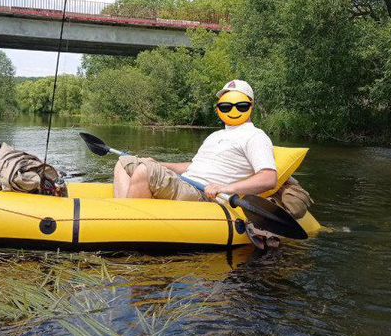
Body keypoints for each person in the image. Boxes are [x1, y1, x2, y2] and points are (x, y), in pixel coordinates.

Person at [113, 79, 281, 249]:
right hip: (185, 182)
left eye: (241, 105)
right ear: (219, 108)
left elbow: (268, 178)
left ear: (251, 107)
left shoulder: (255, 136)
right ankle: (117, 216)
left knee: (143, 172)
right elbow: (193, 166)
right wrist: (162, 164)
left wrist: (225, 188)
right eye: (226, 106)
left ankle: (124, 229)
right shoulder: (215, 136)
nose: (232, 110)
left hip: (203, 194)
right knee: (124, 163)